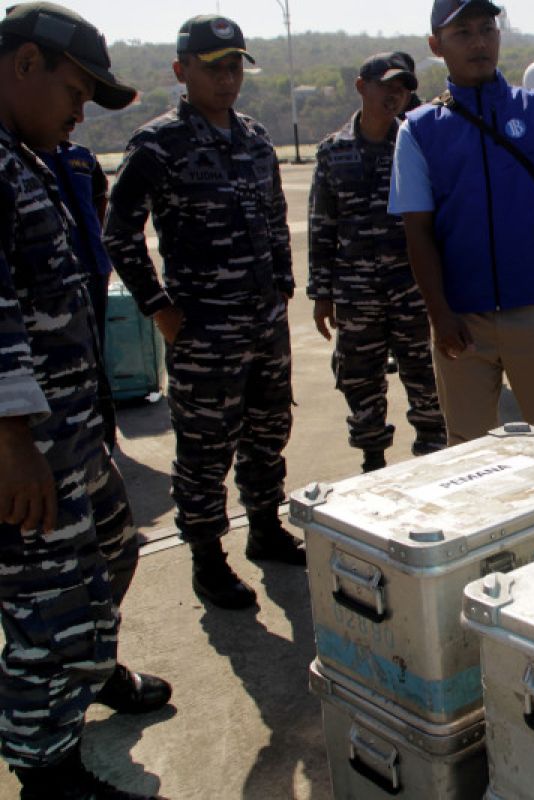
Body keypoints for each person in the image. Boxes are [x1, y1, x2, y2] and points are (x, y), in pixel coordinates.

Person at [0, 4, 171, 797]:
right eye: (75, 91)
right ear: (25, 63)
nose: (78, 114)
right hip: (23, 447)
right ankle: (46, 769)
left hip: (68, 433)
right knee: (47, 609)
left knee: (111, 550)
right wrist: (12, 447)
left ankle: (89, 668)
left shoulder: (30, 157)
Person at [105, 15, 305, 612]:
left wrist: (283, 284)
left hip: (263, 325)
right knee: (204, 449)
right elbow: (118, 234)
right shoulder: (157, 143)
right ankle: (207, 559)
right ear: (181, 71)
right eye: (214, 67)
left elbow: (273, 216)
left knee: (269, 433)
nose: (227, 79)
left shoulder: (255, 137)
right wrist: (159, 309)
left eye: (235, 66)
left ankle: (266, 528)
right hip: (203, 332)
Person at [392, 0, 534, 445]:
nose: (478, 41)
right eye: (462, 33)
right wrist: (439, 313)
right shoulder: (419, 129)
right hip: (463, 320)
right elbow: (418, 231)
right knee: (468, 451)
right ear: (436, 45)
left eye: (486, 29)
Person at [309, 52, 446, 473]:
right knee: (362, 382)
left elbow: (436, 222)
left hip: (410, 291)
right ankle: (373, 464)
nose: (394, 95)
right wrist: (321, 295)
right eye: (385, 85)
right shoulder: (333, 152)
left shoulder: (416, 144)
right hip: (355, 294)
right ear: (360, 86)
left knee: (425, 379)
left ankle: (432, 460)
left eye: (402, 88)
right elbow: (321, 226)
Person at [36, 140, 118, 450]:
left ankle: (103, 434)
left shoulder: (83, 157)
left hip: (94, 268)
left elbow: (100, 203)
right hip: (56, 279)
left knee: (96, 353)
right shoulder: (22, 156)